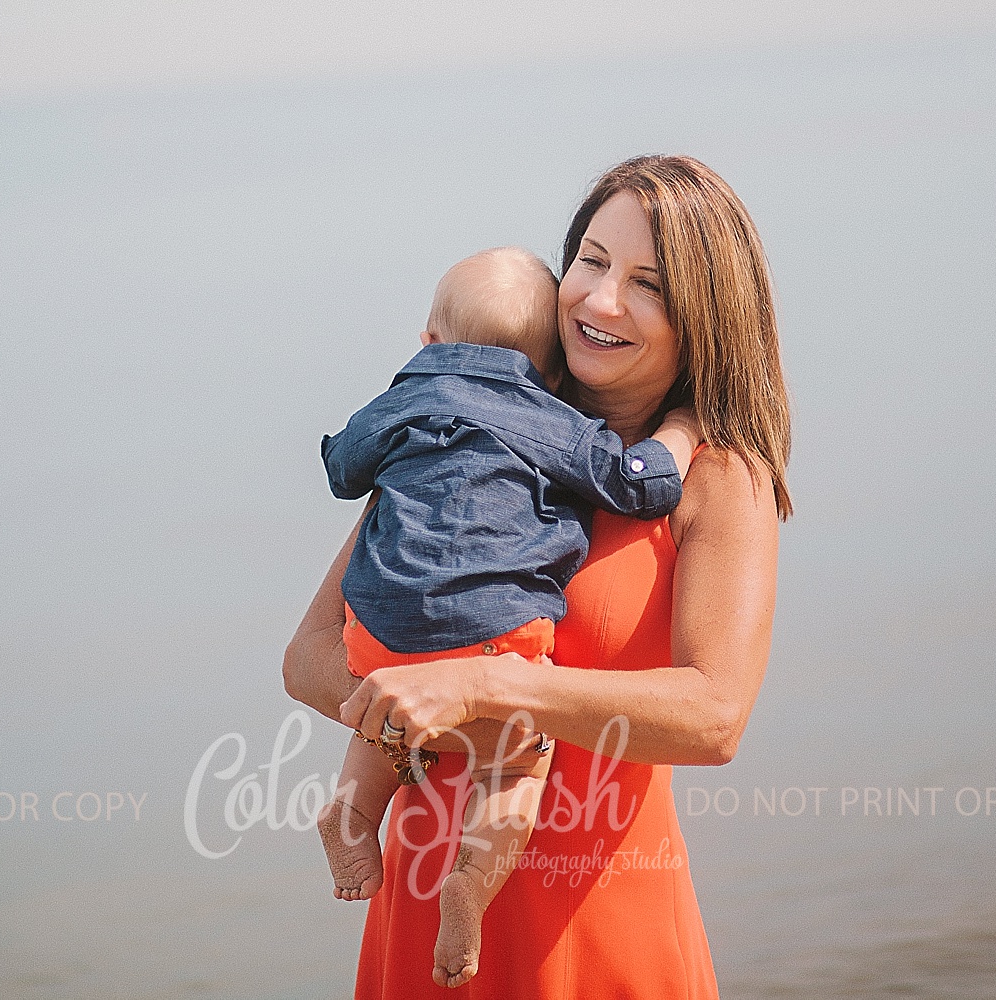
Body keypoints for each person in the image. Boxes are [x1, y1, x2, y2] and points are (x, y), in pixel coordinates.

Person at [285, 155, 791, 999]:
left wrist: (486, 688)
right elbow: (307, 656)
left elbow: (714, 717)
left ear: (704, 317)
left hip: (600, 922)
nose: (599, 300)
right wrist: (443, 722)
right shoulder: (464, 443)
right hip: (423, 916)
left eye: (649, 286)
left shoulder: (715, 476)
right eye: (591, 261)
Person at [316, 246, 702, 988]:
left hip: (378, 631)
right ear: (550, 368)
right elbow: (635, 486)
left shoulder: (404, 410)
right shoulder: (549, 420)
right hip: (495, 640)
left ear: (429, 341)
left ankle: (354, 811)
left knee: (382, 704)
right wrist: (681, 431)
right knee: (514, 765)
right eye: (592, 262)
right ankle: (472, 876)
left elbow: (342, 469)